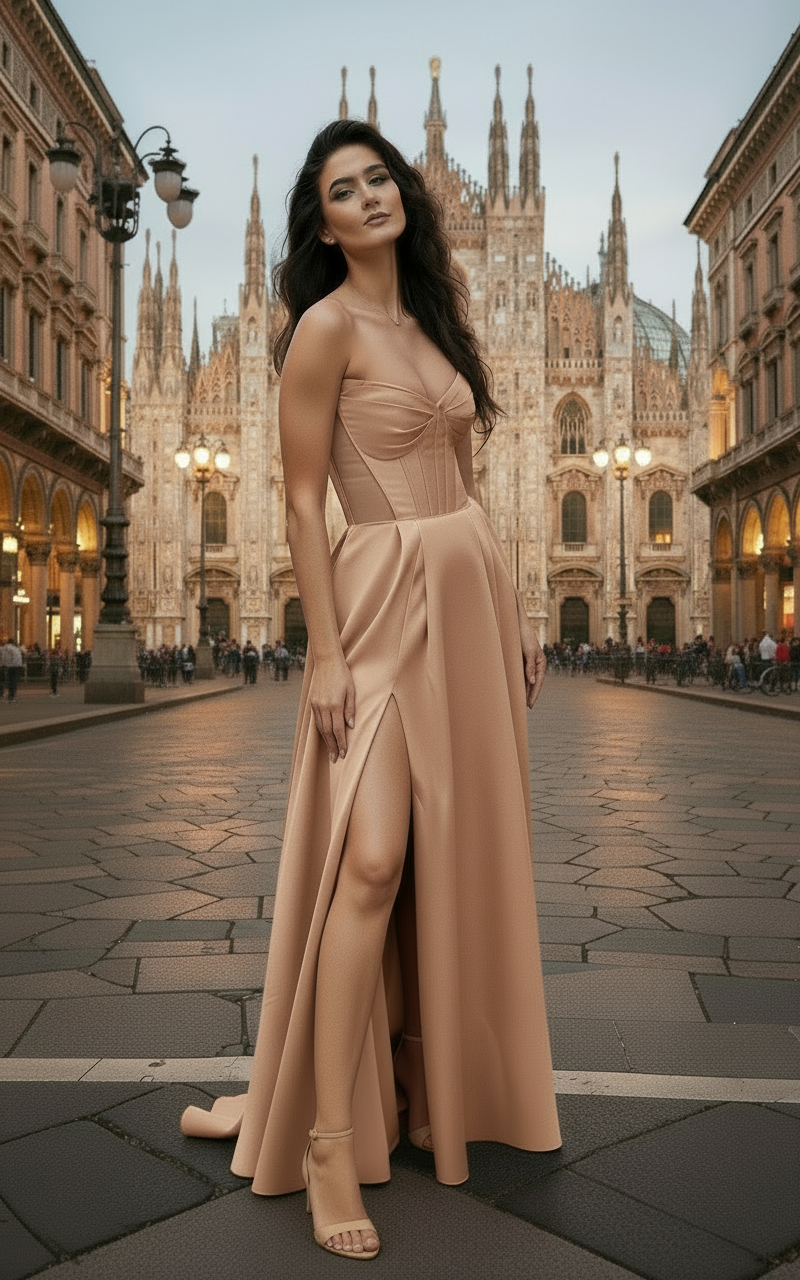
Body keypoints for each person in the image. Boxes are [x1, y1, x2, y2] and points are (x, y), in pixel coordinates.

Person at [180, 119, 560, 1259]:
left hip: (467, 593)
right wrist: (329, 649)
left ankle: (415, 1075)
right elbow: (301, 502)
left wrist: (521, 606)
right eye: (341, 189)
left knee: (449, 855)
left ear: (402, 194)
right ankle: (328, 1139)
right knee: (374, 852)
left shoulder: (437, 321)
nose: (367, 196)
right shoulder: (320, 329)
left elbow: (476, 473)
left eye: (377, 177)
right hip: (377, 601)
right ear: (321, 222)